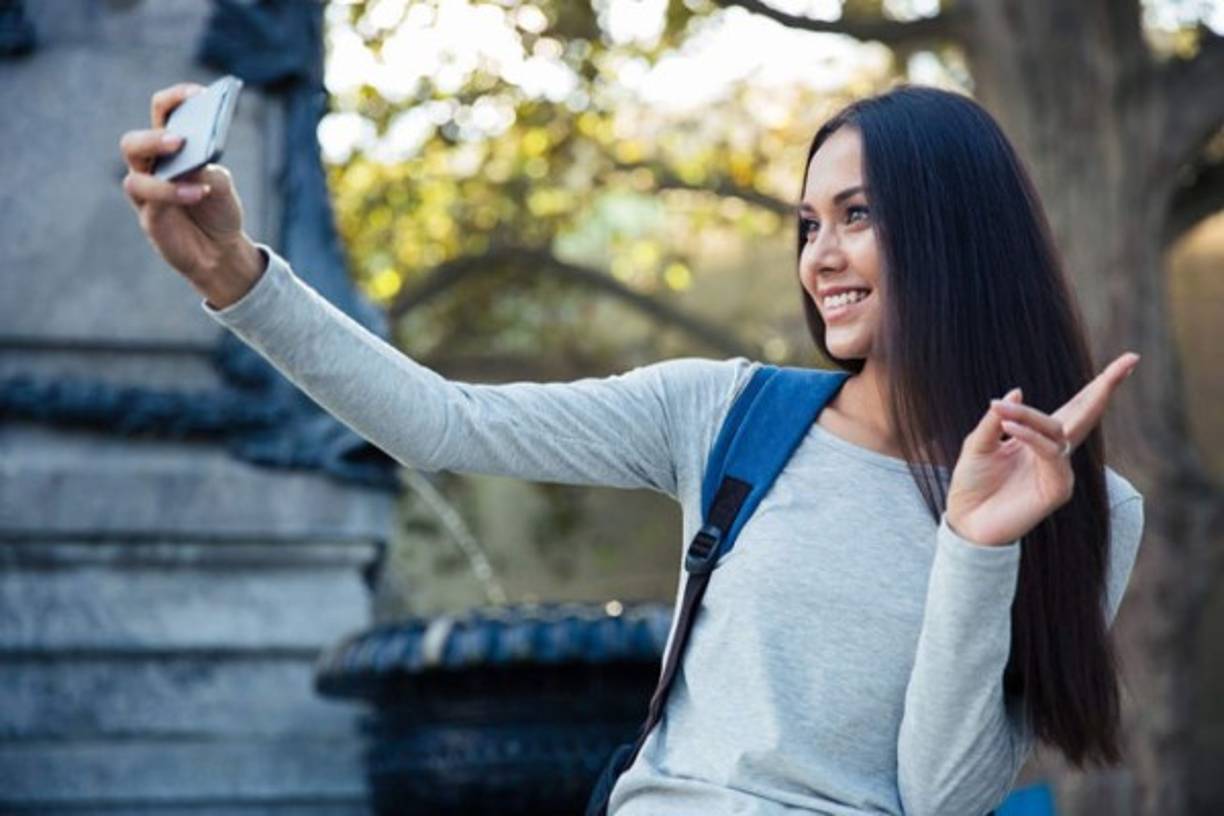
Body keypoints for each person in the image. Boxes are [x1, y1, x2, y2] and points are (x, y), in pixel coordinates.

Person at [120, 81, 1145, 816]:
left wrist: (976, 545)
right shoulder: (728, 416)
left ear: (956, 234)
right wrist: (239, 278)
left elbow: (942, 799)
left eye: (859, 216)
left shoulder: (1083, 511)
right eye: (807, 224)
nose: (820, 256)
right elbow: (441, 423)